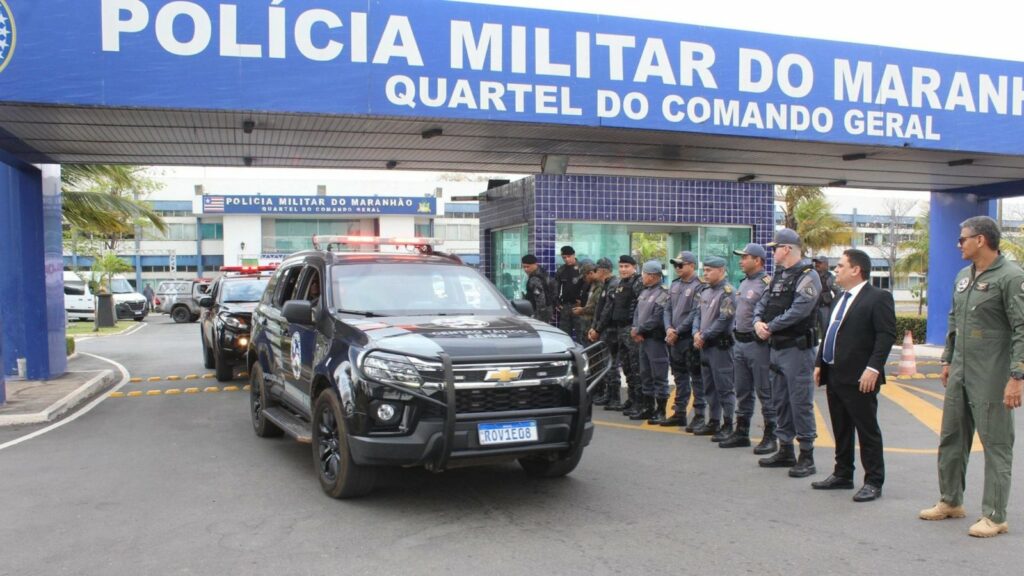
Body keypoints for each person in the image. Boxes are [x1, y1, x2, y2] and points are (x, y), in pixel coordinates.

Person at [919, 216, 1024, 538]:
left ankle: (995, 515)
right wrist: (948, 359)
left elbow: (1022, 328)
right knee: (951, 437)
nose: (959, 244)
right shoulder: (963, 276)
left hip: (992, 371)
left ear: (981, 240)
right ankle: (951, 501)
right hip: (962, 368)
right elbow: (955, 321)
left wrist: (1017, 376)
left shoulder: (1011, 277)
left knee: (996, 444)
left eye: (963, 239)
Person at [812, 249, 896, 502]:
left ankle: (873, 480)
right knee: (841, 427)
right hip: (835, 373)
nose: (836, 270)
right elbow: (830, 332)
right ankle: (843, 473)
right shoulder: (841, 297)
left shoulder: (878, 297)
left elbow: (886, 336)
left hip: (861, 376)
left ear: (856, 270)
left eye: (840, 266)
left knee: (867, 429)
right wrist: (820, 362)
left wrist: (873, 368)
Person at [754, 228, 822, 478]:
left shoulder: (808, 275)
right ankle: (785, 449)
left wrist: (769, 326)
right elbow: (763, 302)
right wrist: (757, 322)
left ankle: (806, 455)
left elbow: (800, 310)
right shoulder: (779, 275)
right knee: (780, 400)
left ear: (787, 249)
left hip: (797, 349)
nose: (773, 253)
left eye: (775, 248)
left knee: (800, 402)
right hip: (777, 348)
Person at [720, 243, 777, 453]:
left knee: (765, 390)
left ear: (758, 260)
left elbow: (768, 313)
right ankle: (742, 432)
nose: (741, 261)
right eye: (741, 257)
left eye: (745, 257)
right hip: (739, 343)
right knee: (742, 390)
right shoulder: (744, 283)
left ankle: (771, 435)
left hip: (757, 344)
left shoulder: (766, 283)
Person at [659, 251, 707, 430]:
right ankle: (679, 413)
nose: (677, 268)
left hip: (688, 338)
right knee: (679, 377)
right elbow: (667, 309)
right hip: (674, 338)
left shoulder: (699, 286)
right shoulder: (674, 284)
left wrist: (677, 331)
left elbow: (696, 312)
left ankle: (700, 415)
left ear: (692, 266)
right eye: (675, 265)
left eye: (681, 264)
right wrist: (668, 329)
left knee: (697, 378)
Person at [692, 257, 737, 440]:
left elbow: (724, 319)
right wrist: (696, 332)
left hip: (720, 347)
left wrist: (704, 335)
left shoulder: (728, 292)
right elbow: (696, 314)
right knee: (709, 387)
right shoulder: (704, 291)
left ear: (721, 270)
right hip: (705, 346)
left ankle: (727, 423)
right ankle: (714, 421)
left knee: (724, 387)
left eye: (709, 270)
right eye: (705, 270)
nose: (705, 273)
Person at [630, 260, 671, 422]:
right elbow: (637, 314)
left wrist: (639, 329)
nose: (642, 277)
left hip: (655, 340)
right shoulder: (644, 292)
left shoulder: (663, 293)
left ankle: (661, 410)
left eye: (644, 275)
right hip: (642, 340)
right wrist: (635, 329)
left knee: (659, 375)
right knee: (645, 374)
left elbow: (658, 317)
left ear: (653, 276)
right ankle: (648, 407)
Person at [607, 255, 644, 415]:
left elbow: (640, 307)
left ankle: (640, 403)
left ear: (634, 267)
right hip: (621, 329)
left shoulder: (638, 283)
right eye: (621, 266)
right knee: (627, 367)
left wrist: (637, 328)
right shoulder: (622, 283)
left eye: (626, 266)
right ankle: (631, 399)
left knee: (636, 368)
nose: (623, 269)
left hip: (631, 329)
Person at [589, 258, 622, 408]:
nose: (594, 273)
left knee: (612, 364)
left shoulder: (613, 285)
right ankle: (609, 395)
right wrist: (594, 327)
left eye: (596, 270)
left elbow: (608, 310)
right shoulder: (606, 284)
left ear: (602, 270)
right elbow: (599, 309)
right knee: (606, 363)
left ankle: (614, 397)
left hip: (611, 331)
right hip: (604, 330)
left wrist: (598, 328)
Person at [556, 246, 584, 342]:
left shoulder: (582, 268)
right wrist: (557, 302)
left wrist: (583, 302)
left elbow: (588, 286)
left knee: (581, 332)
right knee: (564, 333)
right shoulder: (561, 270)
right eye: (564, 257)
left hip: (579, 305)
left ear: (573, 255)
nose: (567, 259)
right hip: (566, 305)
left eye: (569, 256)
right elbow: (557, 287)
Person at [813, 254, 839, 341]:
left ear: (826, 264)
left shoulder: (830, 277)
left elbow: (838, 292)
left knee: (826, 329)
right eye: (816, 262)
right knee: (811, 330)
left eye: (819, 263)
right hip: (812, 308)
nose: (817, 264)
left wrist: (834, 306)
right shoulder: (811, 275)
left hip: (824, 307)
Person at [521, 254, 553, 323]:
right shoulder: (543, 272)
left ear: (535, 264)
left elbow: (540, 299)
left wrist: (537, 316)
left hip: (539, 313)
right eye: (524, 267)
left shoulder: (534, 279)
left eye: (528, 267)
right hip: (546, 310)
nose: (526, 269)